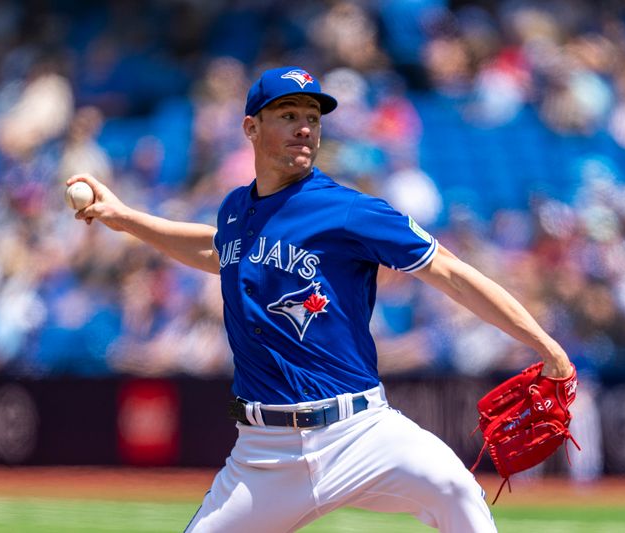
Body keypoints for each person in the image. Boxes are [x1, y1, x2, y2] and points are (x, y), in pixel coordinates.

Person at [68, 66, 573, 533]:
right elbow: (216, 249)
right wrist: (124, 217)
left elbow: (454, 275)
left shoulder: (348, 211)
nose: (305, 128)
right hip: (263, 456)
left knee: (456, 489)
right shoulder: (235, 212)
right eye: (288, 115)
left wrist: (547, 347)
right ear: (251, 128)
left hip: (360, 433)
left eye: (312, 118)